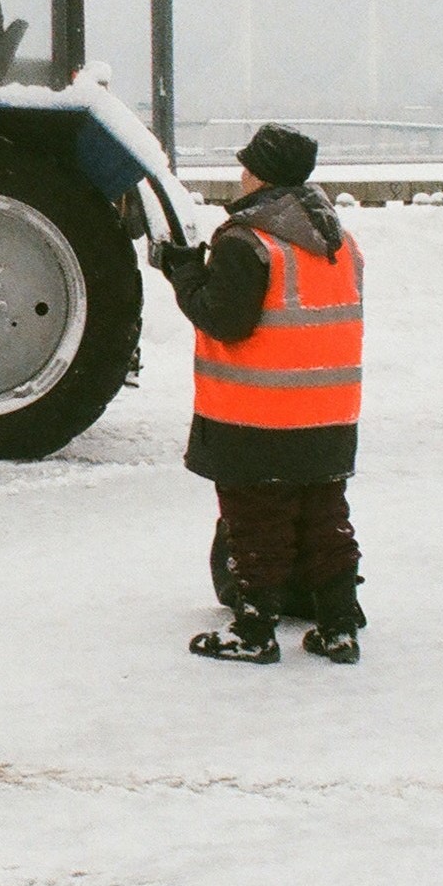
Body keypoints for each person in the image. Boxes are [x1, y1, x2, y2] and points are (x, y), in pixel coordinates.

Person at [155, 123, 366, 665]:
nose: (241, 175)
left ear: (263, 175)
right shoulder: (339, 243)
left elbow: (223, 320)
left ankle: (253, 631)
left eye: (247, 167)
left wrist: (184, 275)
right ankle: (339, 627)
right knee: (325, 516)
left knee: (256, 521)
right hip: (329, 413)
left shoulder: (249, 241)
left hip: (257, 415)